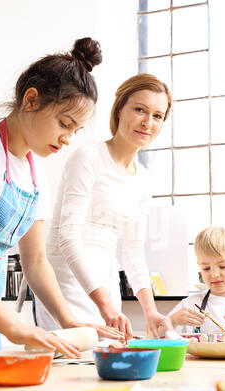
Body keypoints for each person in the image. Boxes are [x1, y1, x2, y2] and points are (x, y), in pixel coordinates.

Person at [0, 37, 124, 365]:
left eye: (76, 130)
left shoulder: (36, 174)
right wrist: (13, 327)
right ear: (32, 100)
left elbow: (35, 262)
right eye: (65, 123)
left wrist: (67, 322)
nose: (68, 138)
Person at [34, 73, 175, 338]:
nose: (147, 122)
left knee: (105, 363)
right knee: (72, 362)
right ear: (120, 108)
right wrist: (104, 306)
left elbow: (133, 252)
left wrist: (150, 311)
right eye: (140, 109)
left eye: (158, 116)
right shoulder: (89, 157)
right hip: (65, 281)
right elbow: (68, 238)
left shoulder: (144, 180)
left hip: (105, 282)